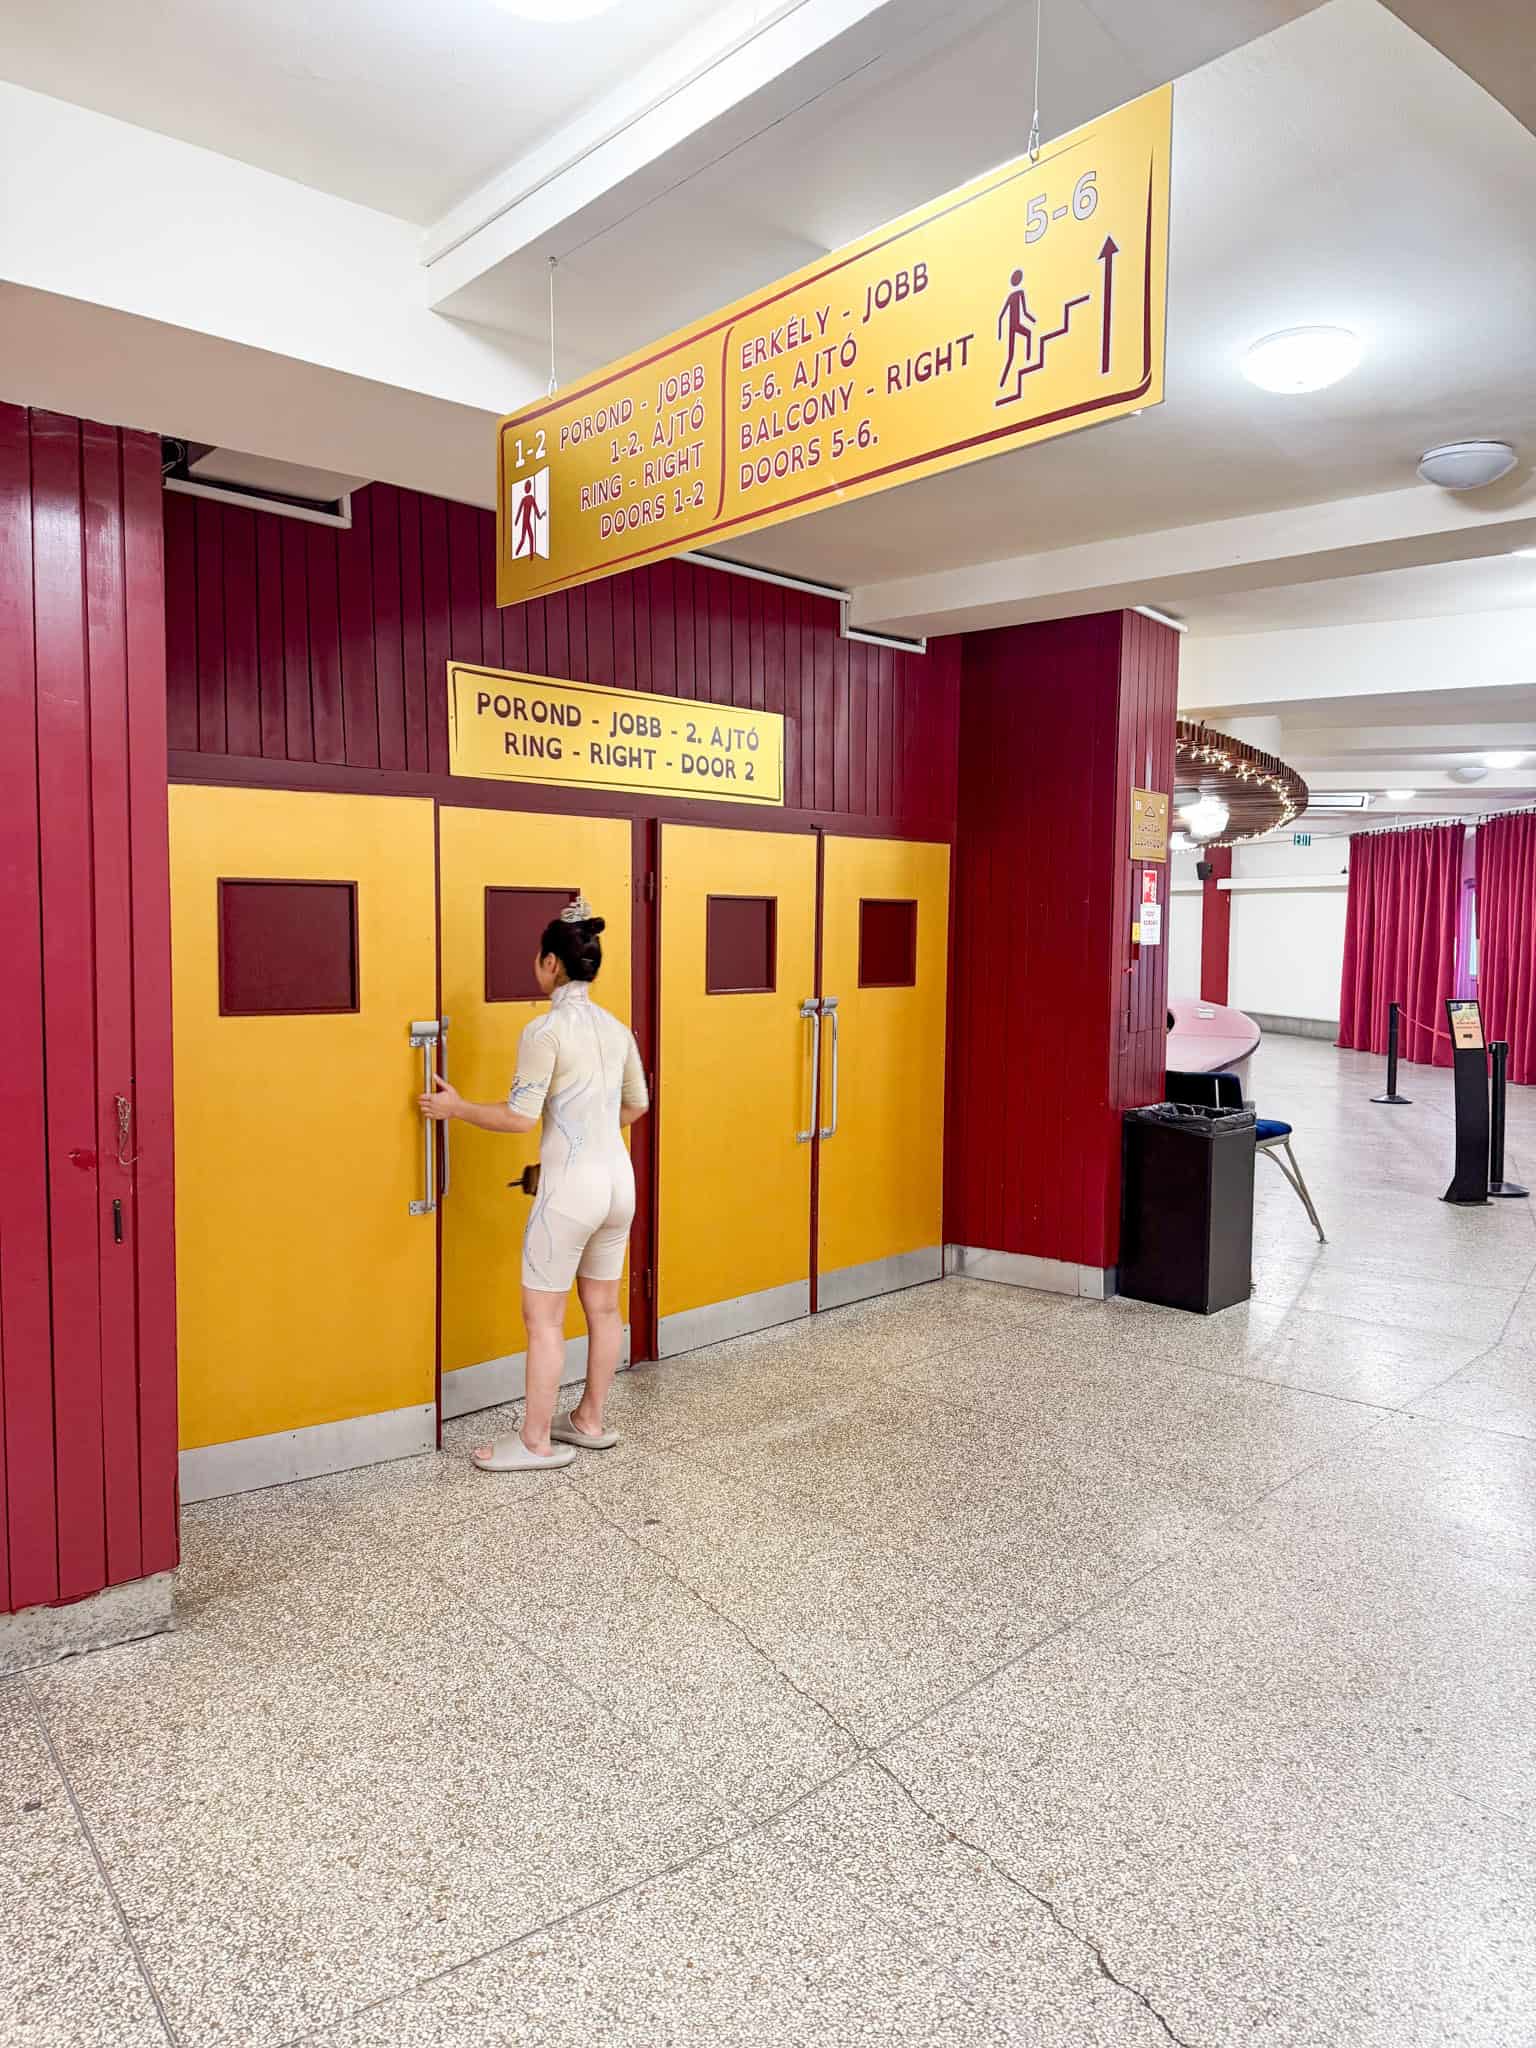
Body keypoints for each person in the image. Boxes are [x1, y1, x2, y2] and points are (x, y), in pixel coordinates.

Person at [418, 899, 648, 1472]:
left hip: (571, 1191)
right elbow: (636, 1106)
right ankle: (590, 1421)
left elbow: (521, 1117)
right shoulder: (618, 1030)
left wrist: (457, 1107)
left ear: (549, 962)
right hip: (619, 1183)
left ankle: (536, 1440)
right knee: (602, 1307)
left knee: (543, 1317)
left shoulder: (544, 1031)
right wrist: (585, 1137)